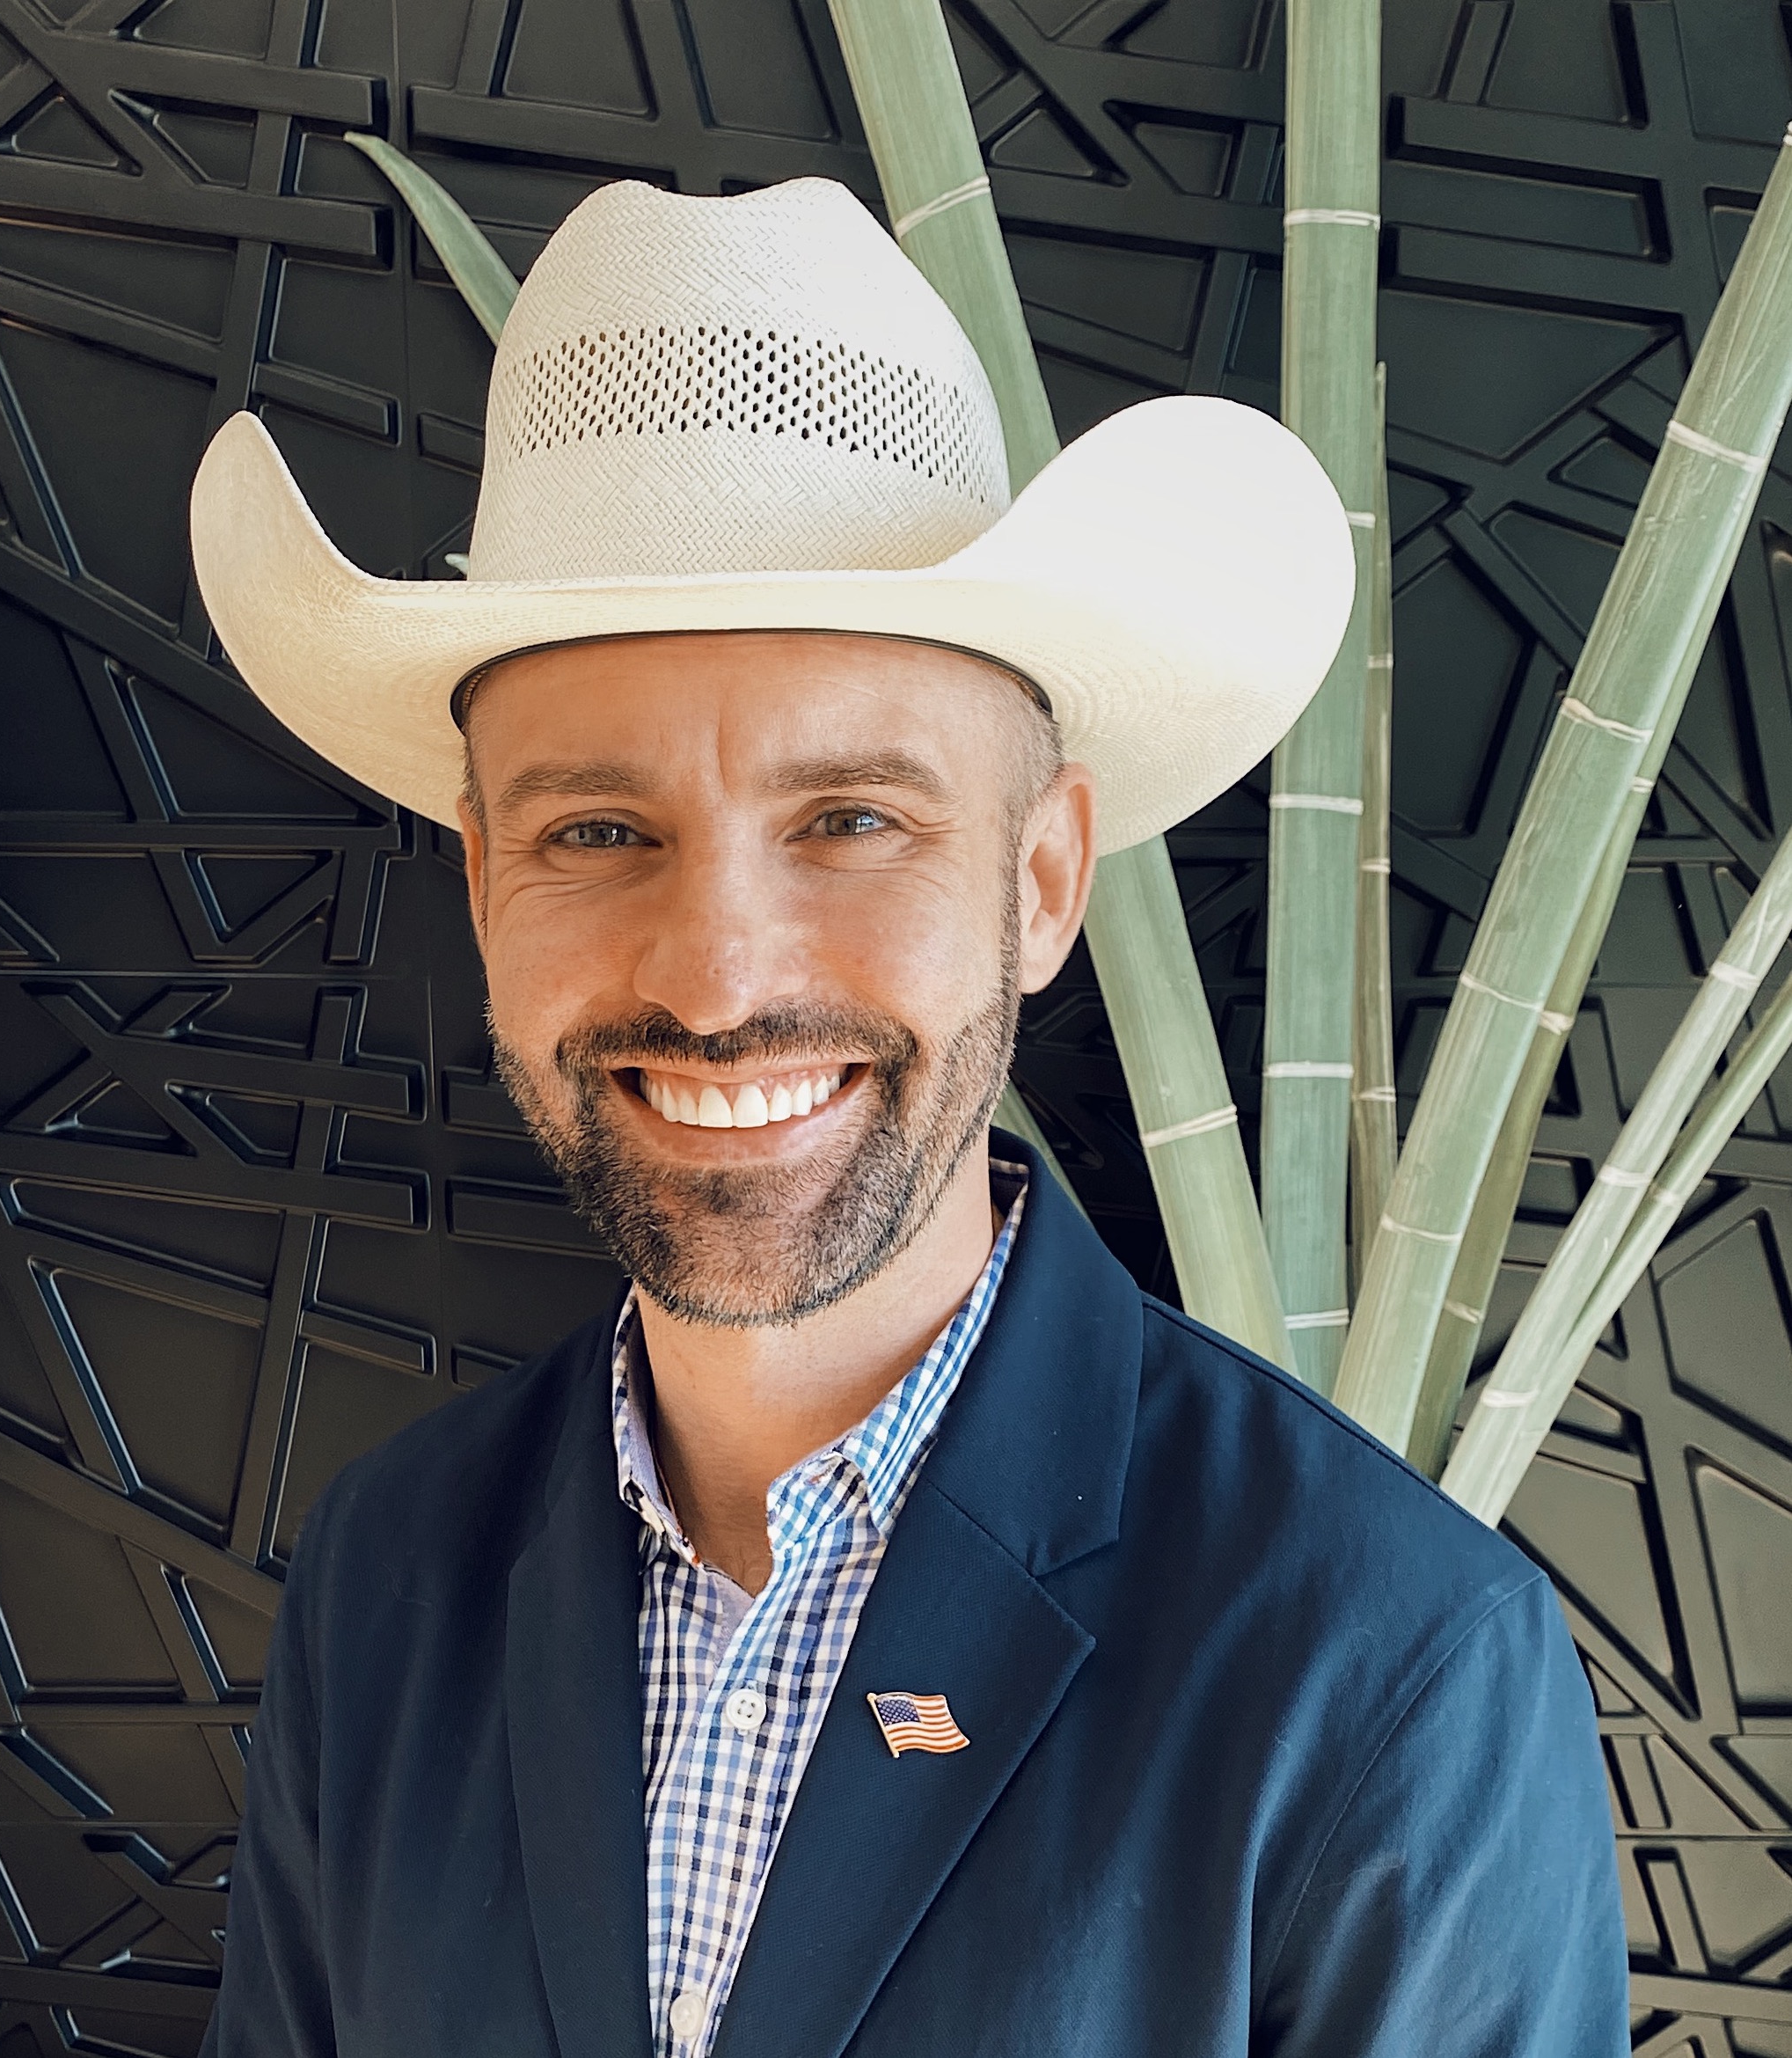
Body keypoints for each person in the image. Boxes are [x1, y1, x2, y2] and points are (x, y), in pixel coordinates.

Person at [187, 176, 1627, 2057]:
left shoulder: (1389, 1669)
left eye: (850, 821)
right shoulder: (388, 1577)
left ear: (1042, 883)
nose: (711, 980)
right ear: (481, 881)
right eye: (598, 831)